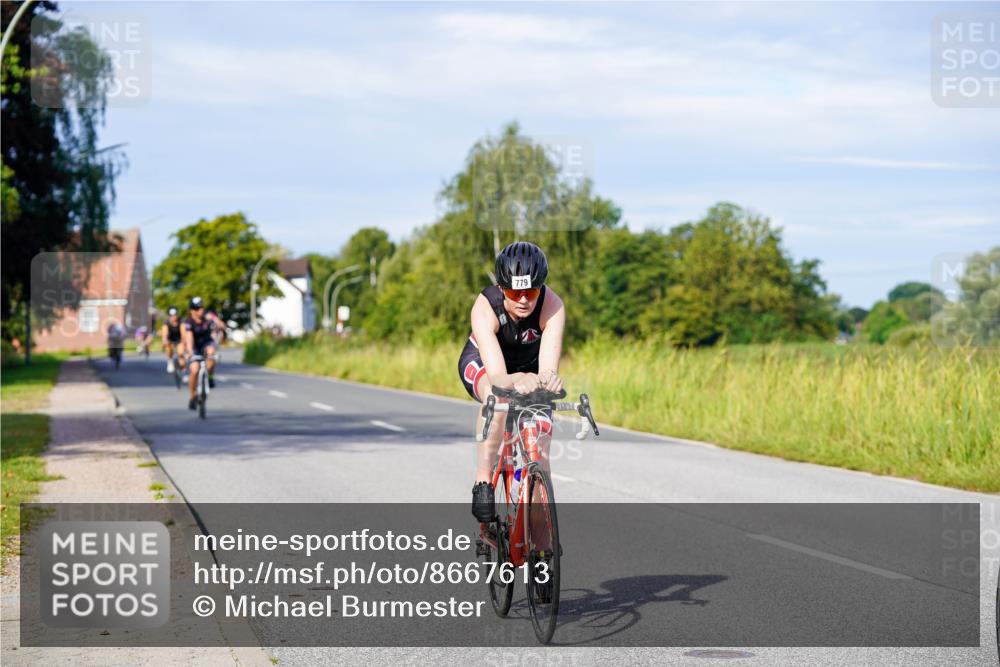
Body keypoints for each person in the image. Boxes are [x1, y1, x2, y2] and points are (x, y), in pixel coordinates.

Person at [458, 241, 565, 524]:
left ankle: (542, 545)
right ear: (501, 289)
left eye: (530, 291)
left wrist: (549, 380)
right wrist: (518, 379)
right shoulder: (485, 307)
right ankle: (483, 482)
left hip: (528, 368)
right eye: (514, 292)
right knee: (497, 398)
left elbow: (547, 370)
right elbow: (498, 377)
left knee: (540, 457)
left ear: (540, 287)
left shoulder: (553, 306)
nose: (523, 300)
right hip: (485, 364)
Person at [182, 296, 218, 410]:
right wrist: (190, 352)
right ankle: (193, 396)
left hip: (206, 344)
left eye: (202, 307)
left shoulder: (207, 319)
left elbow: (214, 331)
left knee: (211, 354)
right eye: (197, 308)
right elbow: (189, 338)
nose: (200, 310)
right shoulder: (189, 323)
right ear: (192, 310)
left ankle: (210, 377)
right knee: (194, 369)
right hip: (195, 347)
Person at [160, 307, 185, 373]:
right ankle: (170, 361)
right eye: (171, 316)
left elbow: (183, 333)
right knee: (168, 347)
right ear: (169, 316)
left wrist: (183, 342)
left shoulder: (181, 322)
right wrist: (165, 340)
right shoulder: (166, 323)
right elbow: (164, 334)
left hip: (179, 340)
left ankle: (183, 371)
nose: (173, 317)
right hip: (170, 340)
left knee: (181, 353)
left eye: (175, 315)